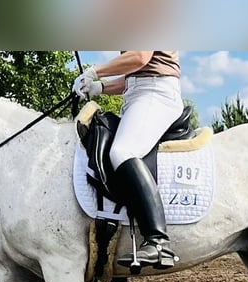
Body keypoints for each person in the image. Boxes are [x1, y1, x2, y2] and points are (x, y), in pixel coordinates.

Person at [73, 51, 183, 269]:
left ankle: (158, 241)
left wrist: (94, 72)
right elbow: (135, 75)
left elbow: (140, 57)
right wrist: (100, 88)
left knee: (122, 152)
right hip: (139, 93)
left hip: (155, 94)